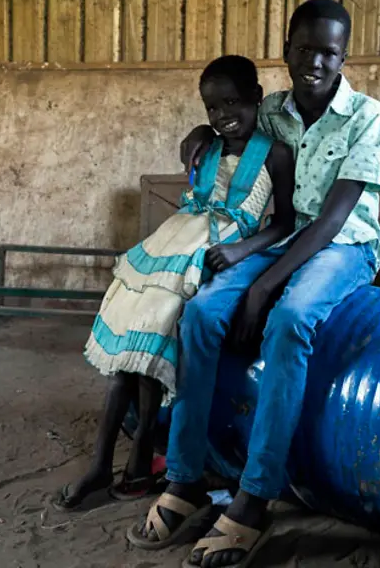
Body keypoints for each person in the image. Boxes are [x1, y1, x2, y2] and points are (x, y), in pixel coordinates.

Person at [126, 0, 380, 568]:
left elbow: (329, 221)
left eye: (329, 51)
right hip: (277, 238)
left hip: (342, 245)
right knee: (199, 314)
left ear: (344, 55)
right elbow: (231, 122)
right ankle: (186, 475)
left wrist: (265, 285)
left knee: (293, 320)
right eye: (305, 50)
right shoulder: (273, 110)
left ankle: (256, 493)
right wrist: (201, 128)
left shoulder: (367, 116)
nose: (316, 62)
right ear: (287, 52)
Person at [53, 55, 296, 511]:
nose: (223, 116)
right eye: (211, 109)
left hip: (215, 252)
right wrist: (201, 135)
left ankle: (140, 457)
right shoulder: (206, 146)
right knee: (130, 347)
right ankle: (102, 465)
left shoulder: (276, 154)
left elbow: (284, 221)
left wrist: (243, 250)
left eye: (234, 103)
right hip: (173, 245)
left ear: (257, 99)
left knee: (157, 345)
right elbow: (200, 171)